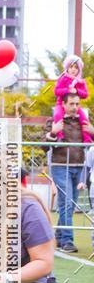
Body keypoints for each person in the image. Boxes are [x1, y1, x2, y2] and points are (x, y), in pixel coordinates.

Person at [45, 92, 93, 253]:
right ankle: (67, 240)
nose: (75, 107)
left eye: (77, 104)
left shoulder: (83, 122)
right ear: (63, 104)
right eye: (71, 104)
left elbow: (89, 143)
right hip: (60, 166)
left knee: (71, 205)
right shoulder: (54, 120)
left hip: (79, 166)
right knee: (66, 202)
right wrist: (52, 133)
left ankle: (58, 235)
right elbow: (43, 146)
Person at [53, 55, 90, 141]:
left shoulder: (80, 81)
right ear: (67, 68)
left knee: (84, 119)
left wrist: (76, 91)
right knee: (57, 115)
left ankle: (87, 139)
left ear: (79, 69)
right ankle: (59, 136)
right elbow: (56, 91)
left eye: (76, 67)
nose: (73, 69)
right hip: (61, 104)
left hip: (75, 106)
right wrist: (67, 90)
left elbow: (85, 94)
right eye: (71, 67)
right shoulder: (63, 79)